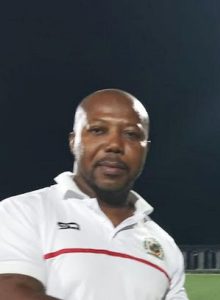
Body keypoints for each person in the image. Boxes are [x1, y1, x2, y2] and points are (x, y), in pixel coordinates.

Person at [0, 89, 188, 299]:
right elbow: (11, 291)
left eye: (131, 134)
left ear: (145, 149)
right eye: (98, 130)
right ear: (73, 141)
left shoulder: (165, 247)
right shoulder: (22, 212)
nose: (115, 145)